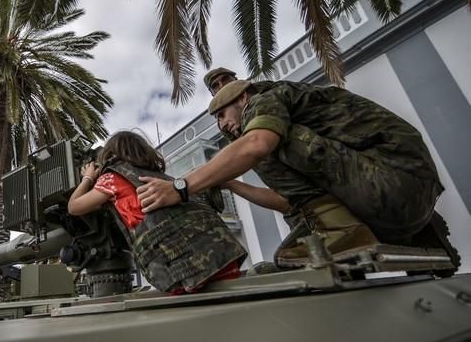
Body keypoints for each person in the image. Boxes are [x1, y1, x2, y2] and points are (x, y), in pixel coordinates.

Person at [137, 80, 448, 268]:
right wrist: (229, 182)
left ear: (243, 98)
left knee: (258, 137)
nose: (221, 125)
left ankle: (343, 231)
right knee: (255, 143)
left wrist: (181, 186)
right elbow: (290, 203)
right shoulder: (285, 113)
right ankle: (415, 233)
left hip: (394, 179)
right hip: (402, 202)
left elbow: (258, 144)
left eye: (222, 114)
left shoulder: (266, 100)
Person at [68, 131, 247, 293]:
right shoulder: (163, 178)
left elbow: (74, 207)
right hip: (222, 260)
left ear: (110, 155)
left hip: (184, 274)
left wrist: (88, 177)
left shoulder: (112, 178)